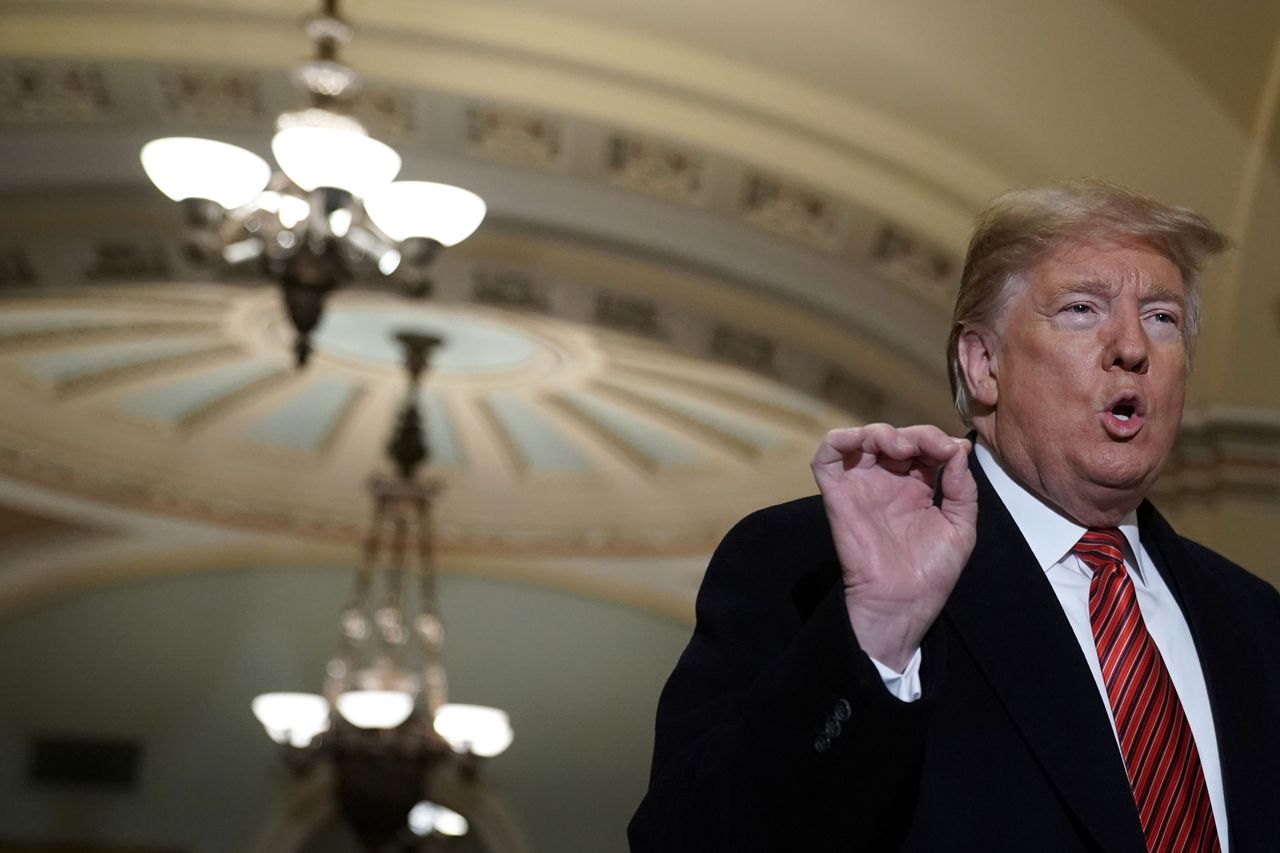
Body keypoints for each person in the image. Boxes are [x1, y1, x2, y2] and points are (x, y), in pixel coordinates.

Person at [629, 180, 1280, 852]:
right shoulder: (815, 563)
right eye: (1083, 308)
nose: (1132, 347)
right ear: (983, 363)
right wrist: (876, 638)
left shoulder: (1256, 623)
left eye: (1162, 317)